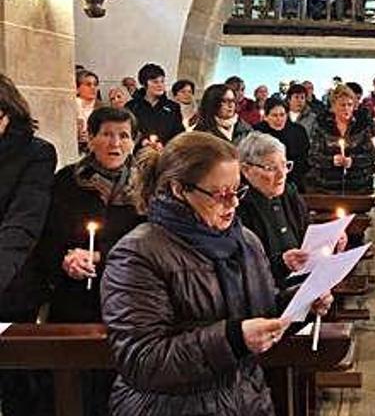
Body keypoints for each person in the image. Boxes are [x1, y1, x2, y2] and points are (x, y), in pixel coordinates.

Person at [101, 132, 333, 415]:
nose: (233, 203)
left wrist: (301, 303)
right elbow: (142, 360)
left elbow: (263, 309)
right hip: (170, 406)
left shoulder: (245, 241)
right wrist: (233, 339)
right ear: (178, 189)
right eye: (220, 194)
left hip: (244, 399)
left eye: (237, 190)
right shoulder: (138, 254)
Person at [15, 107, 144, 415]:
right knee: (73, 386)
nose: (115, 143)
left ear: (134, 141)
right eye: (107, 134)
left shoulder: (145, 187)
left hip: (128, 299)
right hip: (74, 299)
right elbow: (44, 237)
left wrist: (102, 255)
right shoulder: (66, 181)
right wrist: (64, 260)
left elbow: (150, 243)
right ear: (92, 138)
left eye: (124, 135)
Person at [0, 75, 57, 416]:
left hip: (11, 286)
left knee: (17, 385)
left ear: (5, 112)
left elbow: (21, 226)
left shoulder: (35, 153)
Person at [238, 133, 346, 289]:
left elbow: (307, 235)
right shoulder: (239, 205)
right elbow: (245, 266)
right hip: (268, 291)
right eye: (271, 168)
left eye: (284, 165)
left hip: (303, 281)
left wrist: (330, 241)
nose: (282, 175)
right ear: (246, 170)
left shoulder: (289, 193)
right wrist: (282, 264)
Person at [307, 84, 375, 194]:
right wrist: (331, 160)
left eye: (350, 105)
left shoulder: (362, 126)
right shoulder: (322, 125)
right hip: (327, 186)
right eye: (342, 105)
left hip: (357, 186)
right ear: (333, 106)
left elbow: (370, 156)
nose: (346, 109)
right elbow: (313, 156)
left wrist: (353, 161)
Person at [253, 97, 310, 192]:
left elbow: (303, 159)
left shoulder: (298, 131)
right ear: (266, 117)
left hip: (294, 182)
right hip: (265, 182)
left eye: (282, 115)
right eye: (274, 115)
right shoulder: (257, 133)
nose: (279, 119)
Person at [125, 63, 184, 147]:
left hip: (165, 154)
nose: (160, 85)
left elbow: (178, 134)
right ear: (144, 83)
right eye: (155, 82)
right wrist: (142, 141)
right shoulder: (132, 106)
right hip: (138, 154)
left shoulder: (173, 107)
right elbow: (127, 131)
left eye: (162, 81)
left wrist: (164, 144)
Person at [76, 69, 102, 154]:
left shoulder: (102, 108)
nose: (93, 88)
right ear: (77, 88)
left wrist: (91, 137)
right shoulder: (70, 106)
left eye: (95, 84)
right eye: (88, 84)